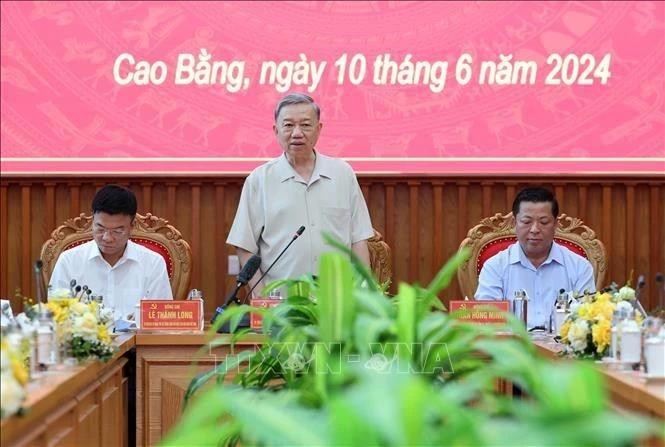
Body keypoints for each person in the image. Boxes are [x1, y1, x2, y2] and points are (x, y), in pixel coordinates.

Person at [227, 93, 373, 296]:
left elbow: (359, 240)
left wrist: (363, 295)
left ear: (319, 129)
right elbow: (245, 247)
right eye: (288, 125)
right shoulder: (260, 180)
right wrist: (262, 299)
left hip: (338, 303)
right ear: (276, 130)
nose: (297, 133)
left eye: (305, 125)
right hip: (282, 307)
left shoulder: (343, 174)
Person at [475, 187, 595, 329]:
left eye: (543, 222)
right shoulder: (495, 267)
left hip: (562, 349)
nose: (534, 230)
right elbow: (487, 322)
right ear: (514, 223)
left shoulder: (579, 266)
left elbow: (587, 322)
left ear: (555, 224)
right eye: (526, 222)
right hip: (513, 348)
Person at [49, 184, 172, 319]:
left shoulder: (153, 263)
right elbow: (57, 317)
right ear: (92, 220)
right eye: (100, 229)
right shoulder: (69, 261)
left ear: (132, 226)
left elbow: (161, 320)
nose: (107, 238)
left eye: (117, 231)